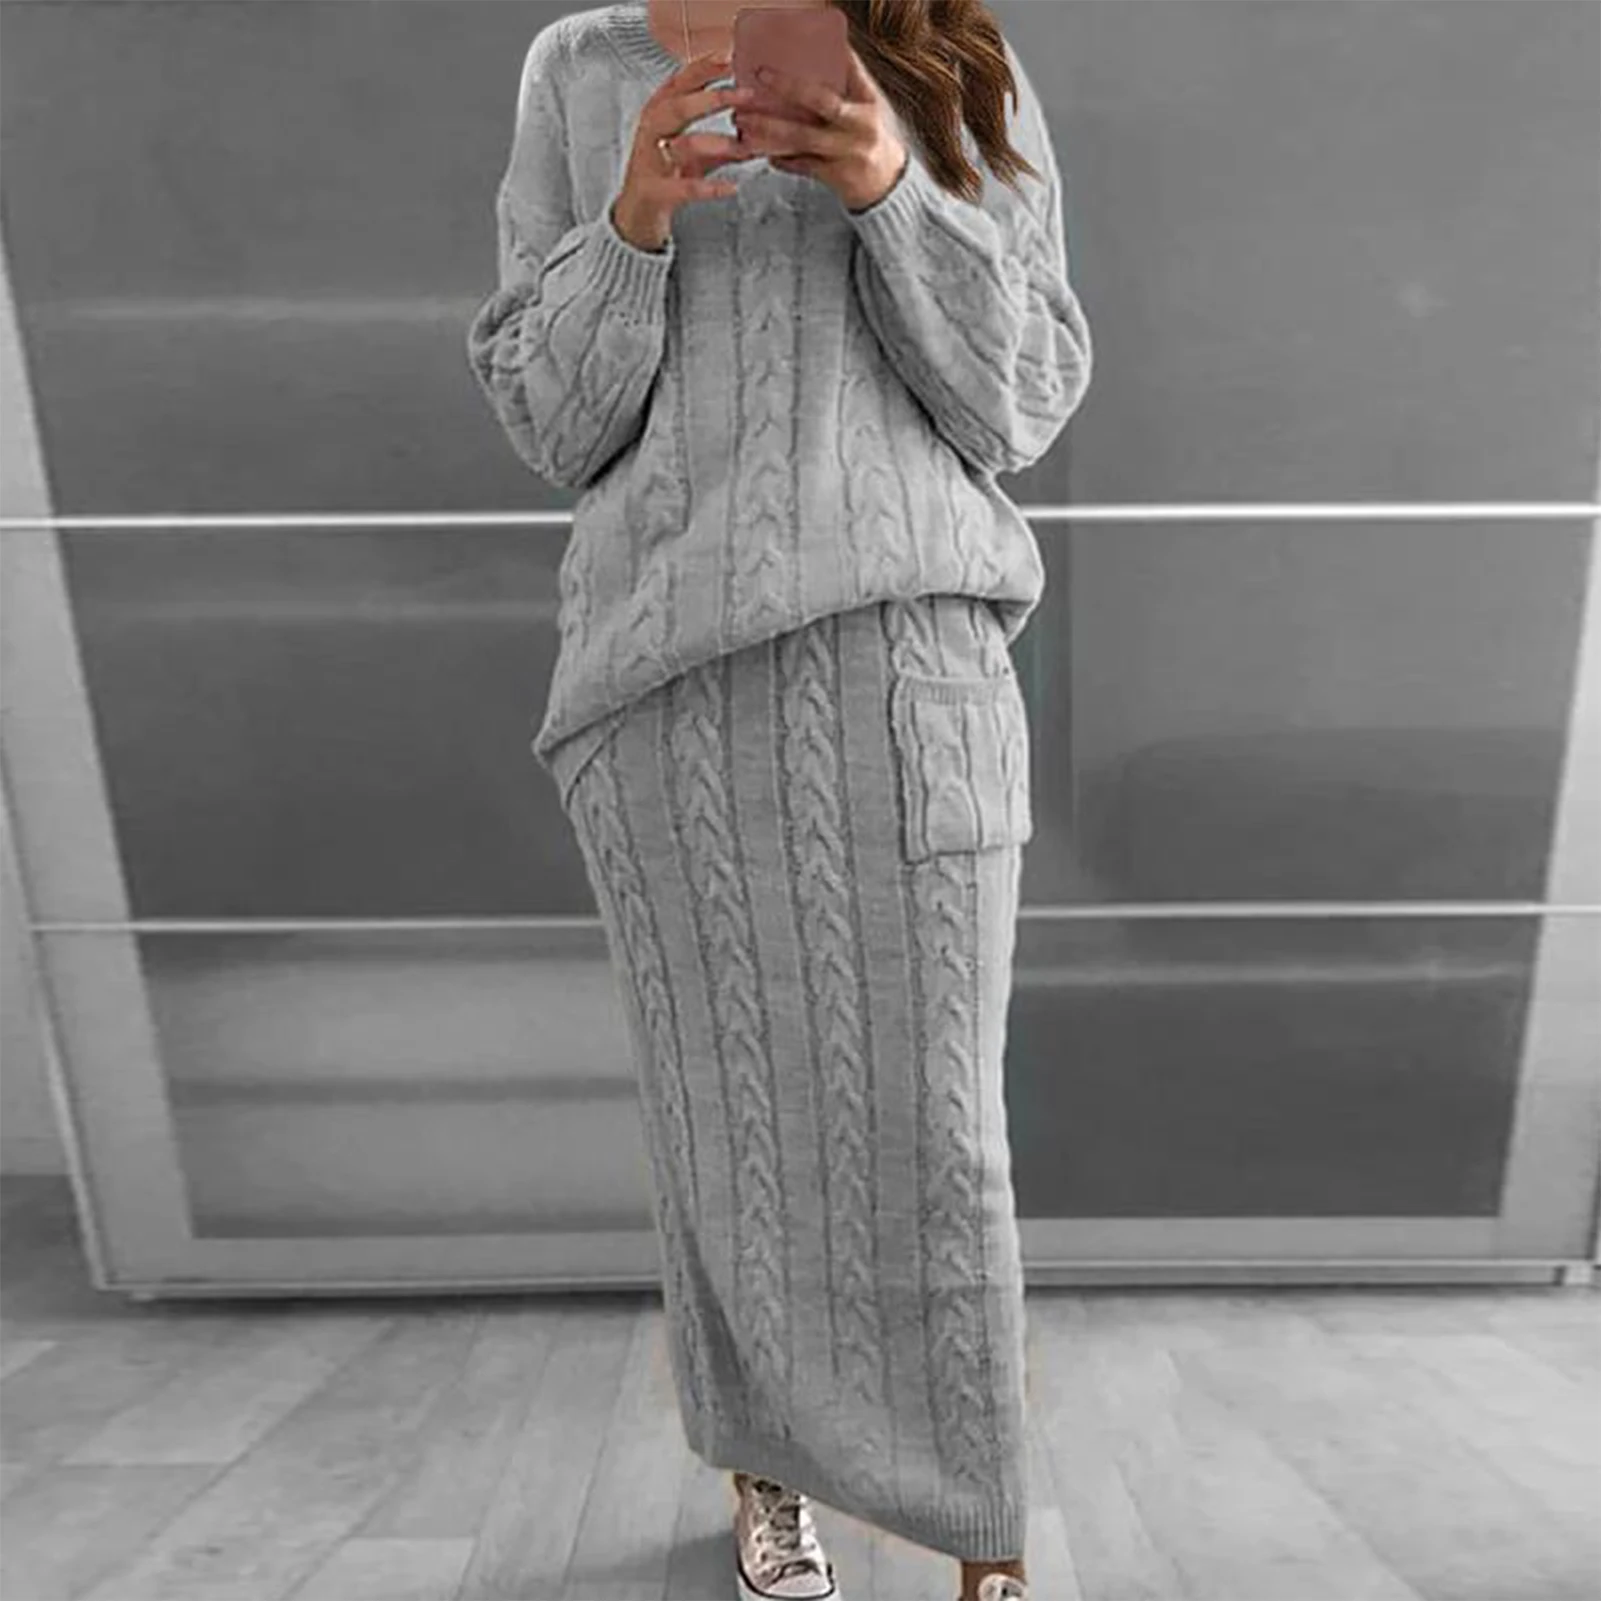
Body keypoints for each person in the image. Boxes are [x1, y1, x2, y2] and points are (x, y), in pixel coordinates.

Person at [466, 4, 1092, 1598]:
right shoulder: (577, 69)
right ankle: (773, 1480)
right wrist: (631, 227)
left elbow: (1022, 399)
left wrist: (890, 184)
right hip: (660, 687)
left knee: (940, 1140)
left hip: (907, 661)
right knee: (725, 1129)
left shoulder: (949, 52)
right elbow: (550, 421)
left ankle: (987, 1543)